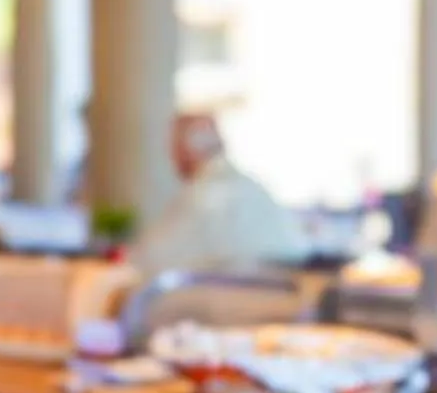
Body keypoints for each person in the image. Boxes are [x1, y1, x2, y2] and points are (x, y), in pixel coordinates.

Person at [121, 112, 305, 280]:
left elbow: (148, 259)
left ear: (188, 148)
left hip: (218, 302)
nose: (171, 157)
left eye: (173, 145)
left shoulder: (202, 195)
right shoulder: (256, 189)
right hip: (277, 300)